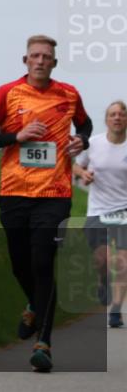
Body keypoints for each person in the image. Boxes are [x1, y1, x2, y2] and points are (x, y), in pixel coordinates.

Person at [0, 34, 93, 373]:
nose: (40, 61)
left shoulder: (68, 94)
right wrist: (17, 137)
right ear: (25, 61)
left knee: (43, 261)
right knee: (20, 263)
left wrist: (80, 140)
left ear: (55, 62)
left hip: (55, 194)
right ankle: (34, 305)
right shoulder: (7, 93)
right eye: (35, 56)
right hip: (14, 193)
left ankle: (44, 343)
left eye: (46, 57)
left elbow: (84, 123)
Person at [72, 100, 127, 328]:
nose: (117, 118)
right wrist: (83, 173)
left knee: (122, 262)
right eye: (113, 114)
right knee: (102, 260)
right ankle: (104, 282)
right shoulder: (93, 144)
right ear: (106, 120)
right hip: (98, 211)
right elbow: (74, 165)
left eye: (122, 115)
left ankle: (115, 310)